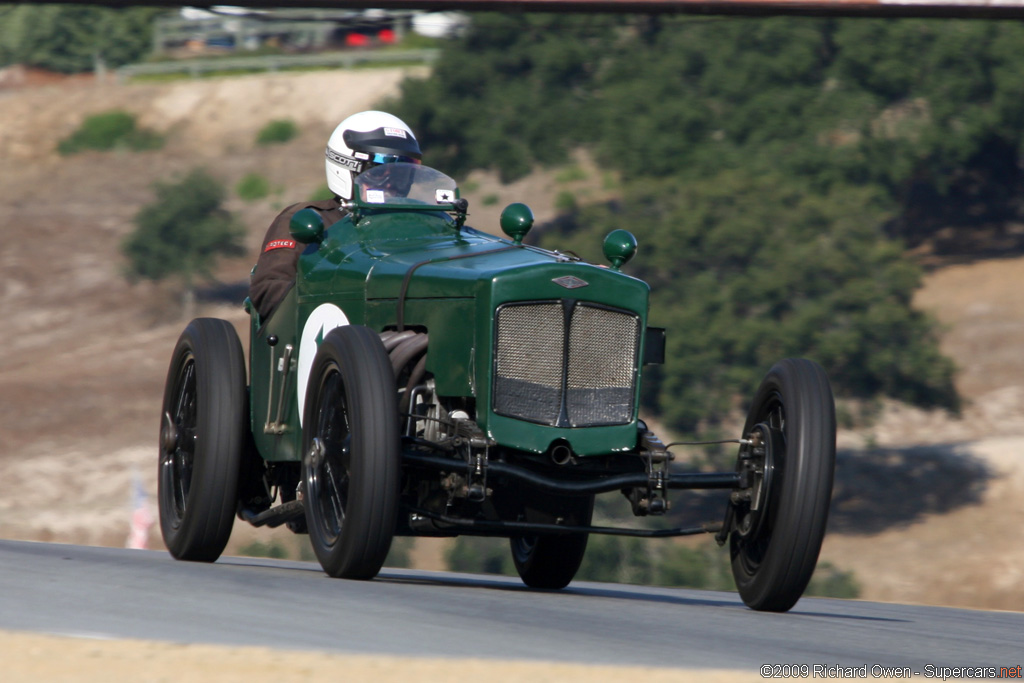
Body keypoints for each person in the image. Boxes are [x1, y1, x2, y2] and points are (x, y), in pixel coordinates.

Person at [249, 110, 422, 321]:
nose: (392, 184)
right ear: (346, 167)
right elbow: (269, 291)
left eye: (403, 174)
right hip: (339, 336)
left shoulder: (423, 223)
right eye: (379, 172)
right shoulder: (310, 218)